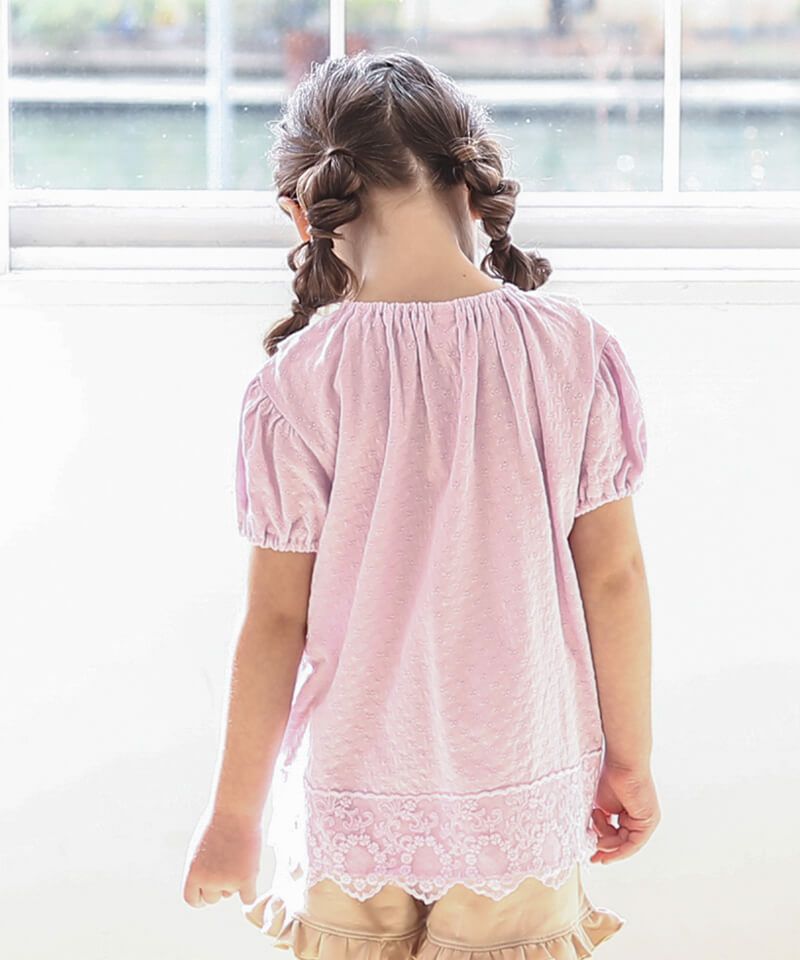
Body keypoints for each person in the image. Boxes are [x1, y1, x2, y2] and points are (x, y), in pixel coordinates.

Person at [182, 49, 660, 958]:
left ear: (302, 214)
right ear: (473, 184)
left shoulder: (296, 385)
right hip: (523, 783)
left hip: (352, 792)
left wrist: (234, 818)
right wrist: (628, 759)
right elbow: (615, 577)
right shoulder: (572, 352)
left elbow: (276, 620)